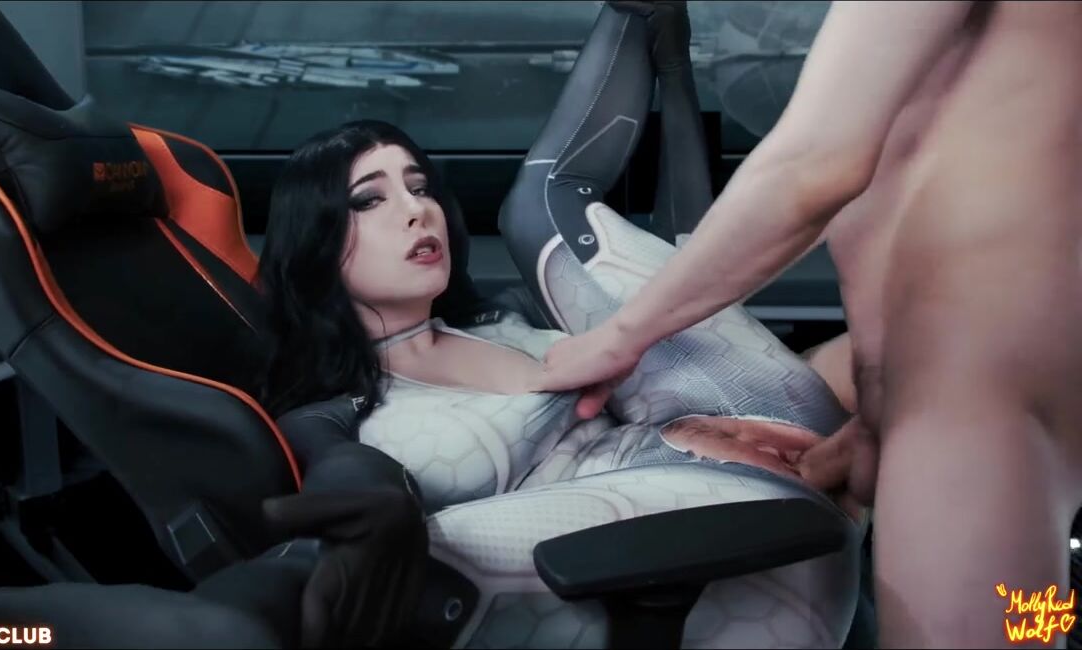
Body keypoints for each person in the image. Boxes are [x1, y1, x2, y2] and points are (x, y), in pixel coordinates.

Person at [257, 2, 870, 646]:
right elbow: (346, 475)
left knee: (896, 354)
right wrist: (378, 504)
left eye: (420, 186)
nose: (417, 210)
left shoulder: (504, 317)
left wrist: (675, 74)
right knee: (537, 209)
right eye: (370, 200)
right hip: (716, 558)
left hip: (791, 455)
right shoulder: (335, 411)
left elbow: (677, 258)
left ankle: (645, 14)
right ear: (316, 242)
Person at [534, 1, 1082, 647]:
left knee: (1017, 628)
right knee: (1024, 620)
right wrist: (875, 420)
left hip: (975, 398)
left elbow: (815, 166)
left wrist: (619, 337)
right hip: (954, 399)